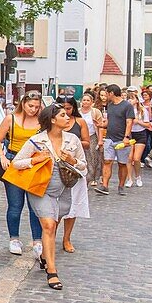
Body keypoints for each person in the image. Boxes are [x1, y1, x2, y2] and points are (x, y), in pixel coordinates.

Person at [10, 104, 87, 291]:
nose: (68, 117)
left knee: (55, 223)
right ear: (53, 120)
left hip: (64, 188)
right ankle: (52, 271)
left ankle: (45, 255)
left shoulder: (73, 140)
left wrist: (72, 160)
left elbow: (83, 165)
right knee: (49, 225)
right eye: (63, 115)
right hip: (41, 187)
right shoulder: (37, 141)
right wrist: (34, 160)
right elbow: (16, 163)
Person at [0, 91, 44, 256]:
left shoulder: (42, 121)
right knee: (15, 205)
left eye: (36, 106)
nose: (33, 110)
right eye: (30, 106)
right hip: (14, 160)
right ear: (23, 103)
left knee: (35, 206)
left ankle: (37, 240)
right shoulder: (11, 119)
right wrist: (1, 156)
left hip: (34, 163)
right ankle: (14, 238)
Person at [58, 97, 91, 253]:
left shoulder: (80, 122)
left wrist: (73, 142)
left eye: (69, 109)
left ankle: (66, 238)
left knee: (73, 205)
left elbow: (87, 142)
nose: (66, 112)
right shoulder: (53, 124)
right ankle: (50, 236)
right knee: (55, 207)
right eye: (63, 109)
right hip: (56, 168)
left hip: (74, 167)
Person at [99, 84, 135, 195]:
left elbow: (129, 122)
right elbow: (109, 120)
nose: (106, 96)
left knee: (122, 163)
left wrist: (126, 137)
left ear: (111, 93)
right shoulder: (110, 106)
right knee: (107, 161)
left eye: (107, 94)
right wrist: (102, 125)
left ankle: (121, 185)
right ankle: (105, 186)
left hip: (122, 139)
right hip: (109, 138)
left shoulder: (127, 106)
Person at [78, 91, 104, 191]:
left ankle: (91, 178)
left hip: (92, 136)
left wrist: (100, 140)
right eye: (84, 100)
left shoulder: (95, 112)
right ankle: (83, 181)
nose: (86, 102)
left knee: (92, 159)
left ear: (91, 102)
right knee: (81, 158)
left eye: (88, 100)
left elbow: (100, 126)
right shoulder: (78, 112)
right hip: (80, 137)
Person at [128, 87, 152, 186]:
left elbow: (148, 125)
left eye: (132, 98)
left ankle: (138, 176)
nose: (130, 100)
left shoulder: (142, 110)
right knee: (129, 158)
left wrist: (138, 122)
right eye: (129, 98)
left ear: (137, 100)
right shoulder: (126, 110)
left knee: (136, 158)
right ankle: (130, 179)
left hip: (140, 134)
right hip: (129, 134)